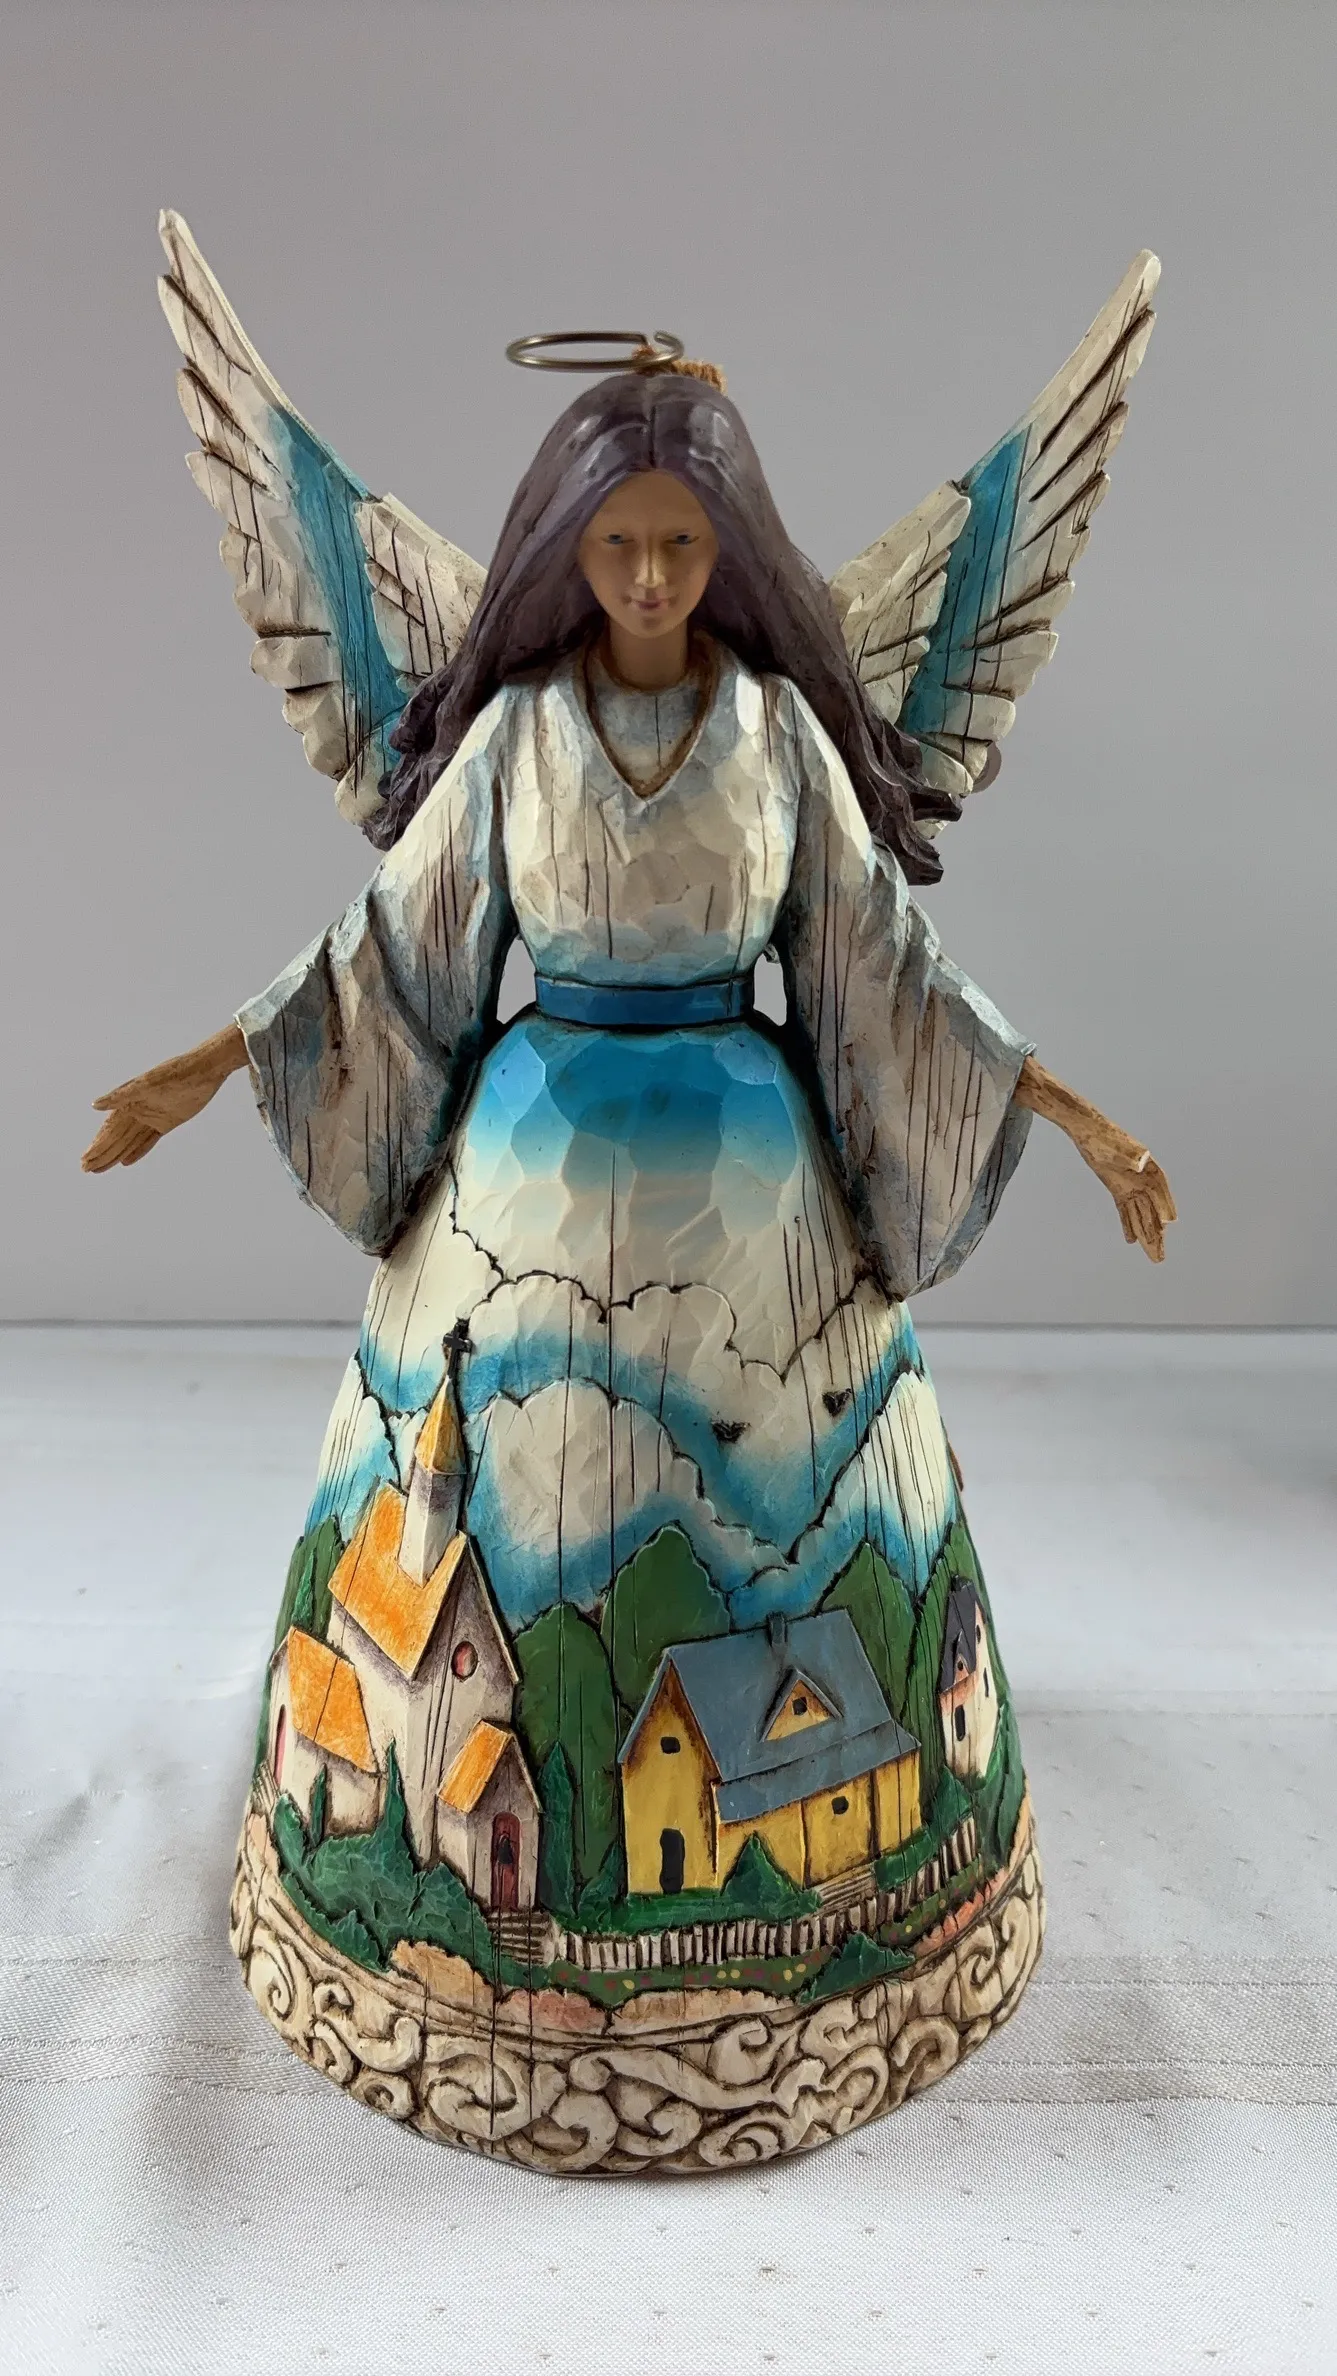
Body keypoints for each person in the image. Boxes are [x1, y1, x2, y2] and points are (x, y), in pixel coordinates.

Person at [81, 232, 1174, 2170]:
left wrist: (1072, 1116)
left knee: (772, 1515)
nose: (650, 579)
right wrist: (204, 1067)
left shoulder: (777, 738)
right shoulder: (509, 737)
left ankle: (833, 1918)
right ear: (565, 555)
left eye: (679, 546)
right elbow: (389, 952)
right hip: (523, 1173)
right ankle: (453, 1924)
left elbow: (884, 972)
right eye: (616, 549)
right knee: (514, 1497)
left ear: (726, 554)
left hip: (753, 1196)